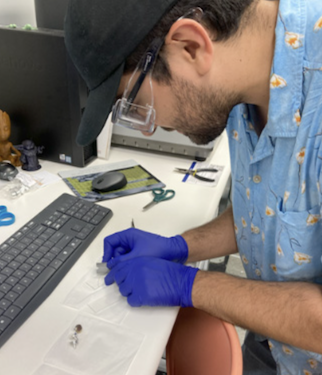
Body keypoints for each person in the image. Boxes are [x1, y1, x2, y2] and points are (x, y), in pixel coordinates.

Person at [64, 0, 322, 373]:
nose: (148, 127)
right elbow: (270, 209)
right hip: (276, 341)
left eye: (135, 103)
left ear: (190, 46)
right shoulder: (238, 83)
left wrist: (189, 285)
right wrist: (180, 247)